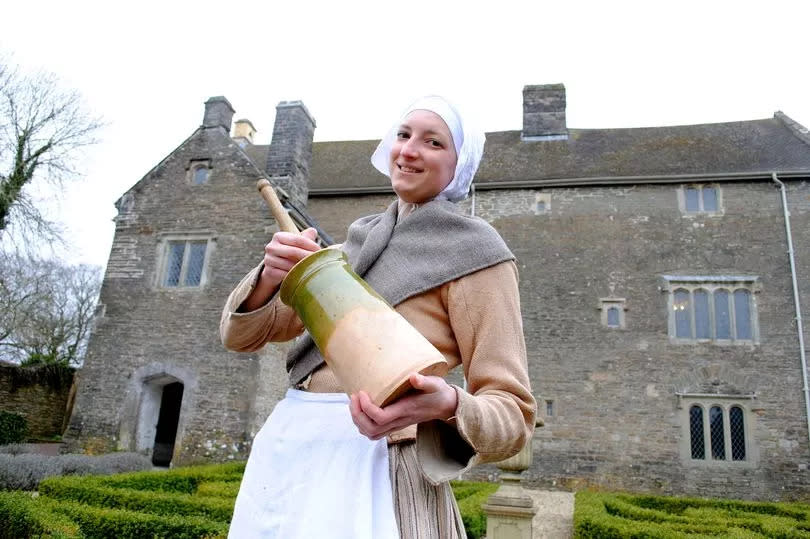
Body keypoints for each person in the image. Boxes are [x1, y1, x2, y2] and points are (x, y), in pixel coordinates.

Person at [220, 95, 536, 538]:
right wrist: (270, 277)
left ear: (458, 164)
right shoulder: (349, 249)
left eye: (433, 142)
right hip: (290, 451)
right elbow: (243, 337)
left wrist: (448, 404)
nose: (409, 149)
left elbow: (512, 415)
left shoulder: (478, 253)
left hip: (381, 462)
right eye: (404, 135)